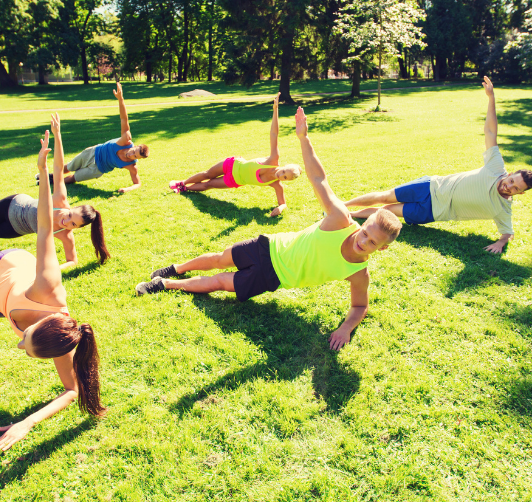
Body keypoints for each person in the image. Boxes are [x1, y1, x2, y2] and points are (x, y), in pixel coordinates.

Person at [137, 107, 402, 351]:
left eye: (372, 242)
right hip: (269, 245)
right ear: (363, 223)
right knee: (219, 258)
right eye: (365, 232)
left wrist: (345, 328)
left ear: (382, 248)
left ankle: (166, 284)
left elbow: (360, 305)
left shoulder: (358, 273)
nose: (362, 241)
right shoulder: (340, 220)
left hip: (272, 277)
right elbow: (319, 178)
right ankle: (177, 268)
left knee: (220, 282)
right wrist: (303, 138)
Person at [344, 76, 532, 254]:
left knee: (386, 211)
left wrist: (501, 243)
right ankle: (341, 206)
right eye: (511, 180)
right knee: (385, 196)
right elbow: (490, 132)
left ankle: (349, 214)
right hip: (431, 186)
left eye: (515, 188)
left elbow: (508, 233)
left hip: (433, 211)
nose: (509, 186)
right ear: (510, 174)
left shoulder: (503, 209)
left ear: (520, 193)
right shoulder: (496, 168)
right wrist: (491, 97)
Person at [0, 129, 106, 452]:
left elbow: (73, 390)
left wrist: (27, 422)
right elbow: (45, 226)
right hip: (8, 267)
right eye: (26, 339)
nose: (19, 343)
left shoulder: (61, 342)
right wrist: (43, 170)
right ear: (43, 324)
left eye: (24, 345)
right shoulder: (48, 288)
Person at [1, 114, 110, 269]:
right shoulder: (60, 199)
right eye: (70, 215)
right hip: (12, 205)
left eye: (72, 224)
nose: (66, 221)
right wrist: (57, 134)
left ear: (76, 228)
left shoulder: (65, 234)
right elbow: (58, 168)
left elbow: (72, 260)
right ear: (71, 208)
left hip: (15, 228)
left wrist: (54, 269)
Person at [169, 94, 301, 217]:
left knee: (209, 184)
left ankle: (184, 189)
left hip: (234, 180)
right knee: (207, 174)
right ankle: (182, 182)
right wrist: (275, 109)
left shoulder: (276, 184)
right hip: (233, 164)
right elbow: (274, 134)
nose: (281, 175)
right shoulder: (273, 160)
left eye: (285, 177)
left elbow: (283, 203)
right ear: (283, 166)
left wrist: (280, 208)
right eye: (283, 171)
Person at [37, 82, 149, 193]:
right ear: (134, 146)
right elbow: (124, 118)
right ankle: (49, 176)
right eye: (133, 151)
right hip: (93, 152)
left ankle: (50, 182)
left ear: (138, 159)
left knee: (74, 178)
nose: (130, 155)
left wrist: (127, 189)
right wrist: (121, 99)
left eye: (135, 156)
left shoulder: (131, 165)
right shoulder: (126, 140)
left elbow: (137, 183)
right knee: (69, 167)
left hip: (97, 169)